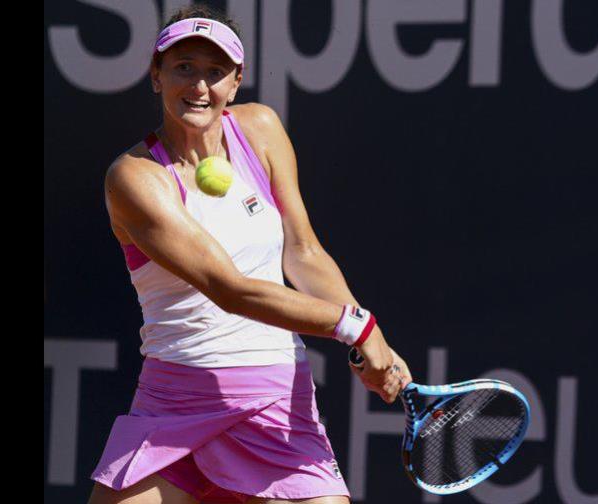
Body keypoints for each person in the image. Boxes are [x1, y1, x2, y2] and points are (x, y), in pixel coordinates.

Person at [88, 6, 411, 504]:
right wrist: (356, 328)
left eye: (215, 72)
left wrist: (368, 337)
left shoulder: (260, 129)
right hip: (173, 404)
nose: (199, 86)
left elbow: (303, 252)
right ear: (157, 75)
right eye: (184, 67)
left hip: (275, 399)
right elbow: (229, 290)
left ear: (236, 83)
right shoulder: (134, 178)